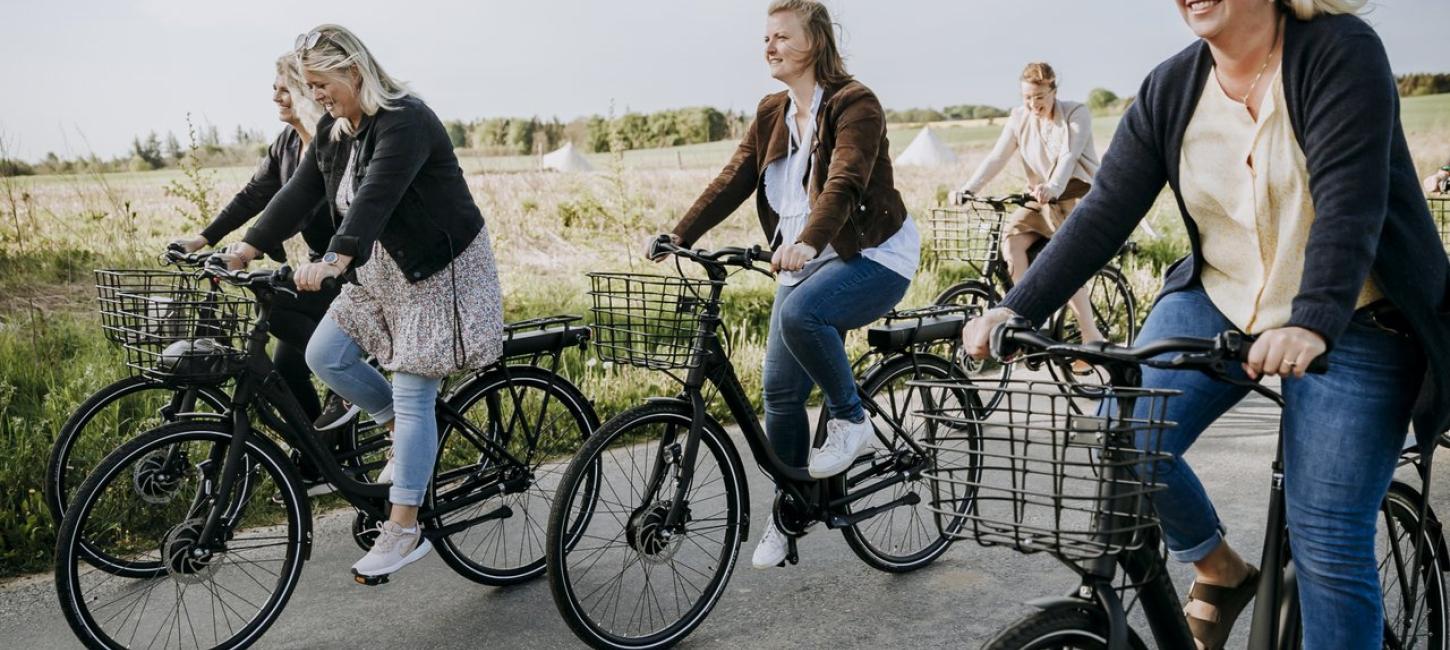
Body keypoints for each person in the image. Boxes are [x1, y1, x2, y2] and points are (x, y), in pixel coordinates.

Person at [960, 1, 1450, 648]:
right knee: (1125, 430)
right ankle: (1219, 570)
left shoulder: (1340, 52)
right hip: (1225, 296)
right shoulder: (1172, 88)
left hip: (1355, 316)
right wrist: (1015, 306)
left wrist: (1312, 320)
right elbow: (1104, 213)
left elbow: (1349, 203)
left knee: (1327, 535)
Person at [223, 24, 504, 580]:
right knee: (325, 355)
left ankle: (404, 528)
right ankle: (402, 432)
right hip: (385, 270)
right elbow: (298, 192)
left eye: (321, 82)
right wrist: (247, 247)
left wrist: (334, 259)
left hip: (439, 271)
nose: (316, 94)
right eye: (308, 85)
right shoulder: (334, 128)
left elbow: (376, 195)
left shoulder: (406, 120)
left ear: (354, 70)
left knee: (412, 387)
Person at [659, 0, 919, 570]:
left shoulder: (856, 104)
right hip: (805, 260)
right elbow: (734, 177)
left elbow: (845, 181)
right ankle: (792, 508)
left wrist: (806, 240)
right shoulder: (772, 111)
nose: (769, 45)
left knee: (804, 317)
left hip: (871, 253)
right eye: (766, 37)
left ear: (814, 43)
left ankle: (853, 419)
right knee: (778, 392)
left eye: (781, 36)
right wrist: (680, 234)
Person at [170, 54, 358, 466]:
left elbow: (298, 209)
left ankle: (348, 382)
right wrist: (203, 240)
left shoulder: (340, 142)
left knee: (281, 315)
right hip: (317, 268)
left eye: (283, 87)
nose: (275, 96)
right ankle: (324, 456)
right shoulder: (288, 144)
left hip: (350, 269)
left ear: (307, 91)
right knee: (285, 365)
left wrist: (250, 250)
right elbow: (254, 195)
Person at [954, 63, 1106, 352]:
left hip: (1074, 193)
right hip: (1040, 198)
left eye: (1039, 97)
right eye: (1027, 97)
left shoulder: (1075, 113)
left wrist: (1053, 188)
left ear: (1053, 91)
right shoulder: (1018, 118)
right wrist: (969, 189)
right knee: (1011, 243)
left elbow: (1068, 156)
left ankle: (1091, 335)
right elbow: (996, 158)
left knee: (1066, 263)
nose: (1033, 104)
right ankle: (1026, 320)